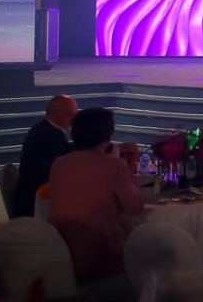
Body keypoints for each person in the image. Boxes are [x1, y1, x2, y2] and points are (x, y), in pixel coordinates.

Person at [46, 107, 144, 282]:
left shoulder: (58, 163)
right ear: (107, 135)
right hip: (101, 255)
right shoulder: (114, 166)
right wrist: (132, 163)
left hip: (60, 252)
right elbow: (135, 207)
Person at [13, 95, 78, 218]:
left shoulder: (41, 128)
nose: (75, 119)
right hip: (34, 204)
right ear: (54, 114)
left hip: (26, 196)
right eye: (70, 115)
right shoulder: (52, 135)